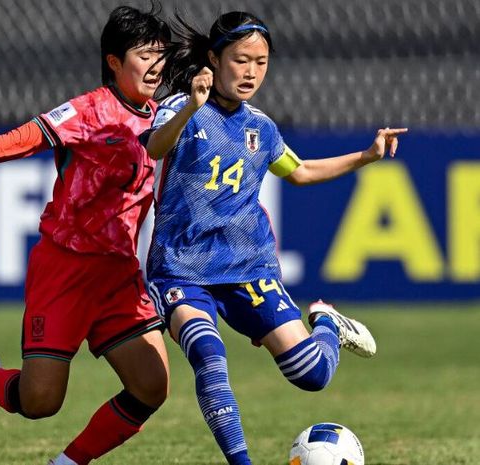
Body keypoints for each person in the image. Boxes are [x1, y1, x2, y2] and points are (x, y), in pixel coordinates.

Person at [0, 5, 171, 465]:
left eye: (161, 55)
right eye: (144, 55)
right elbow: (18, 139)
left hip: (119, 276)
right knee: (41, 402)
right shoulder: (88, 111)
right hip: (66, 269)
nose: (156, 66)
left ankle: (67, 463)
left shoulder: (163, 122)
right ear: (114, 61)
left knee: (151, 387)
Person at [142, 11, 407, 465]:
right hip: (181, 267)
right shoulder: (180, 108)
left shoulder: (260, 129)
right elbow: (153, 147)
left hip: (247, 264)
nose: (250, 72)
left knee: (313, 375)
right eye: (241, 60)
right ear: (214, 57)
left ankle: (327, 320)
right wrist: (190, 104)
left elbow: (299, 171)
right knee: (208, 354)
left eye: (261, 62)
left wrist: (367, 156)